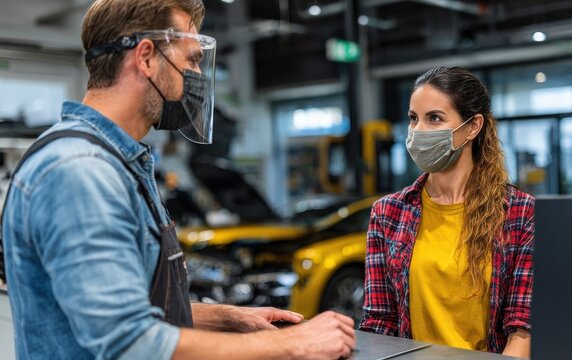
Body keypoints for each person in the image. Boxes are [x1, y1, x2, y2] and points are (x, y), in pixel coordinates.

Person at [0, 0, 355, 359]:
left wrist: (226, 317)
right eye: (192, 59)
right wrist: (290, 343)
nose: (197, 76)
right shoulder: (81, 171)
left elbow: (127, 307)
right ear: (147, 57)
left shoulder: (115, 161)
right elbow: (129, 342)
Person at [359, 66, 534, 358]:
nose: (418, 131)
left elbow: (522, 329)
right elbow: (379, 322)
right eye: (413, 119)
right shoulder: (388, 214)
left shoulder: (519, 213)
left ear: (472, 127)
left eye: (435, 118)